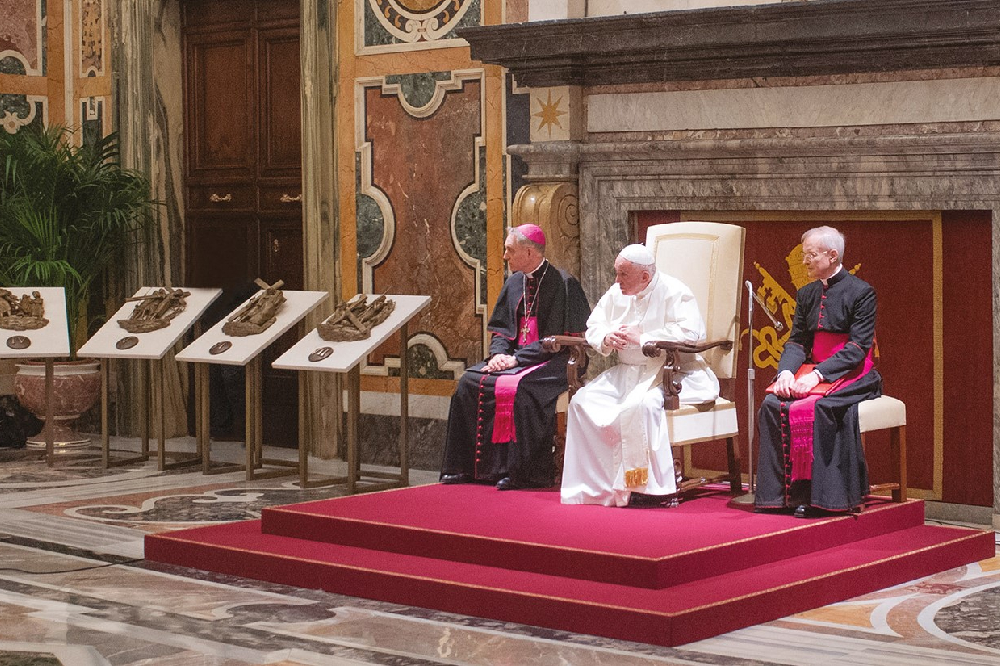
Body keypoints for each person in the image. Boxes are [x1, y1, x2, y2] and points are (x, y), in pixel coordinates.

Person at [560, 244, 719, 507]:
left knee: (643, 405)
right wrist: (606, 337)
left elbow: (692, 335)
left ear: (645, 276)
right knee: (581, 403)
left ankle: (651, 489)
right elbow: (594, 324)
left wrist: (644, 337)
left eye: (623, 274)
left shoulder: (675, 291)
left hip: (672, 372)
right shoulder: (617, 292)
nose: (617, 280)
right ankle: (599, 486)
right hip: (625, 373)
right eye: (617, 273)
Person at [440, 224, 590, 490]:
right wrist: (498, 354)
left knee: (520, 389)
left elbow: (564, 340)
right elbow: (501, 330)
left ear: (529, 252)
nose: (505, 256)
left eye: (510, 250)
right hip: (513, 358)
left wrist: (518, 360)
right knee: (468, 382)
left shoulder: (565, 284)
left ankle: (519, 472)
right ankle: (464, 468)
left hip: (557, 361)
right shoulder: (513, 283)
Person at [754, 226, 881, 518]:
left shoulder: (862, 292)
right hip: (813, 369)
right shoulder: (807, 293)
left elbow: (857, 348)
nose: (805, 261)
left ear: (832, 255)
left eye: (810, 255)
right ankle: (780, 497)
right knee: (772, 403)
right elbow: (797, 341)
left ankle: (822, 499)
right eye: (805, 255)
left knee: (820, 407)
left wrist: (818, 375)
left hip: (853, 371)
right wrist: (786, 373)